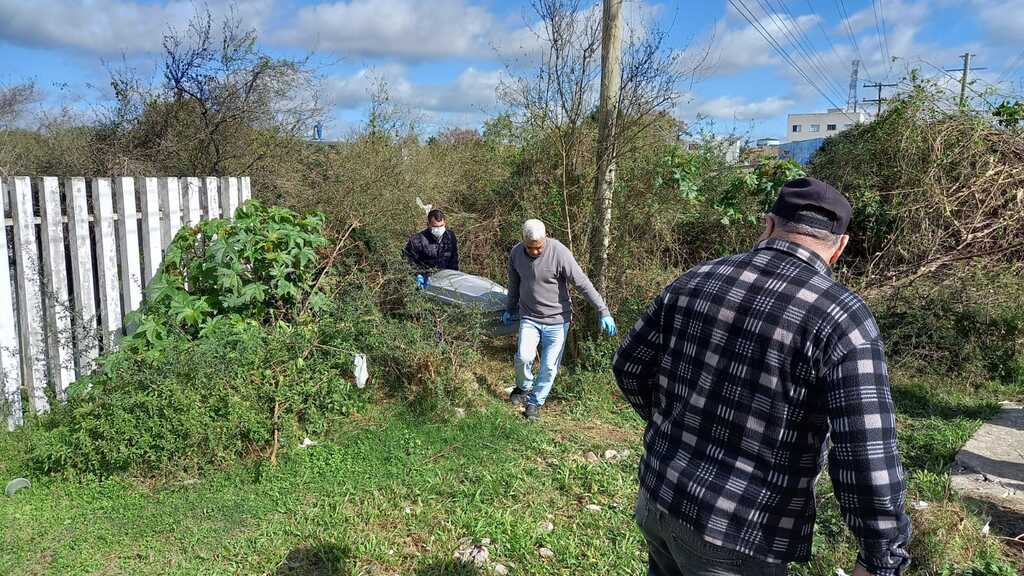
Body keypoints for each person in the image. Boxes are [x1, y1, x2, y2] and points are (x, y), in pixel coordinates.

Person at [613, 177, 911, 576]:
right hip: (741, 534)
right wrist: (881, 556)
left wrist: (675, 426)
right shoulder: (841, 317)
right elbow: (864, 450)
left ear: (768, 225)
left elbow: (629, 366)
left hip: (658, 498)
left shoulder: (695, 280)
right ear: (839, 247)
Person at [503, 219, 617, 421]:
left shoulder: (559, 252)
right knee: (523, 357)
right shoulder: (516, 253)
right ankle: (524, 388)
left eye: (538, 248)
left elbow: (582, 283)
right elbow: (514, 283)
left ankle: (534, 403)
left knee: (548, 367)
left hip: (557, 320)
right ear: (523, 241)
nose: (535, 252)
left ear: (545, 239)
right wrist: (510, 308)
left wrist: (603, 310)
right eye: (530, 248)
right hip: (529, 316)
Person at [404, 208, 459, 288]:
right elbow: (408, 261)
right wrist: (417, 275)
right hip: (426, 281)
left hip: (446, 281)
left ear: (445, 223)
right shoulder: (417, 240)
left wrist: (454, 276)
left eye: (441, 226)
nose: (439, 229)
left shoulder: (450, 237)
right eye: (435, 226)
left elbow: (454, 259)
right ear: (428, 224)